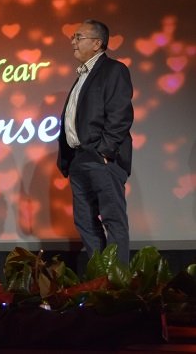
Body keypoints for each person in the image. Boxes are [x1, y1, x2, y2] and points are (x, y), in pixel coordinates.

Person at [57, 19, 133, 264]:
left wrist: (104, 151)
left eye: (79, 37)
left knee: (113, 220)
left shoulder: (113, 70)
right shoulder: (82, 75)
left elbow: (120, 115)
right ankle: (100, 278)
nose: (73, 42)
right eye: (73, 37)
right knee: (85, 222)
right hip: (79, 159)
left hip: (101, 159)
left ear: (97, 43)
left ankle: (116, 281)